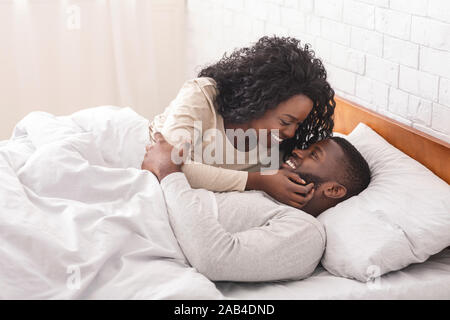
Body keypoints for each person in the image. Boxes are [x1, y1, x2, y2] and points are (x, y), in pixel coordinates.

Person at [141, 133, 371, 282]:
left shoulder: (307, 231)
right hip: (143, 200)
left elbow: (215, 259)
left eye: (314, 155)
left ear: (333, 190)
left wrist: (168, 171)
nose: (298, 151)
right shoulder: (268, 188)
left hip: (145, 225)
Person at [149, 36, 335, 209]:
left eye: (299, 125)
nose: (291, 133)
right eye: (286, 121)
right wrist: (258, 180)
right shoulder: (202, 95)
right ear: (260, 101)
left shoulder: (276, 150)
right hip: (137, 157)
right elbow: (167, 167)